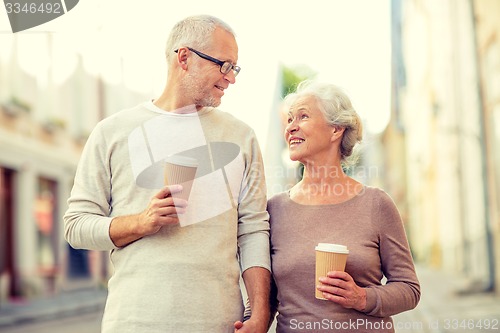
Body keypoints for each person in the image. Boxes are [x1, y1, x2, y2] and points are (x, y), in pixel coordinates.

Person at [64, 15, 271, 333]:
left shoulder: (241, 137)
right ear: (184, 57)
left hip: (219, 323)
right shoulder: (112, 132)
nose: (231, 78)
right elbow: (76, 226)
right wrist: (141, 222)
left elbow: (254, 230)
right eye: (223, 65)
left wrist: (259, 313)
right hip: (134, 321)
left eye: (235, 67)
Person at [266, 80, 420, 332]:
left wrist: (362, 297)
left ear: (336, 130)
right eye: (290, 119)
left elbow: (409, 288)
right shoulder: (274, 209)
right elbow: (265, 296)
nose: (291, 127)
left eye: (303, 117)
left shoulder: (376, 204)